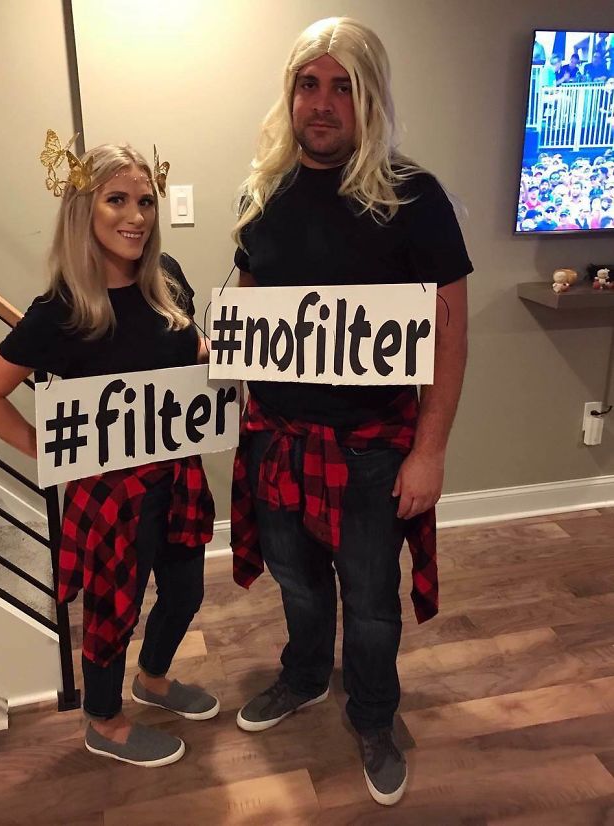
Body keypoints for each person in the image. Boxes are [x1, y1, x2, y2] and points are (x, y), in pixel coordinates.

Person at [229, 17, 472, 807]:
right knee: (296, 583)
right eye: (309, 84)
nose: (323, 103)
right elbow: (250, 305)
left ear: (370, 97)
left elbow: (449, 335)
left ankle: (372, 716)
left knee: (369, 603)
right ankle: (304, 676)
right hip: (277, 439)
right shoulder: (261, 195)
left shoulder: (415, 197)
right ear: (290, 94)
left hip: (371, 449)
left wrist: (429, 451)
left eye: (344, 86)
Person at [0, 142, 219, 768]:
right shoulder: (61, 311)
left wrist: (216, 355)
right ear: (85, 210)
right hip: (111, 492)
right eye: (117, 200)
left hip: (178, 471)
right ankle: (104, 720)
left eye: (146, 202)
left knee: (185, 591)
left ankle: (153, 678)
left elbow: (188, 351)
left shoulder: (167, 279)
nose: (136, 216)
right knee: (112, 609)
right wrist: (48, 447)